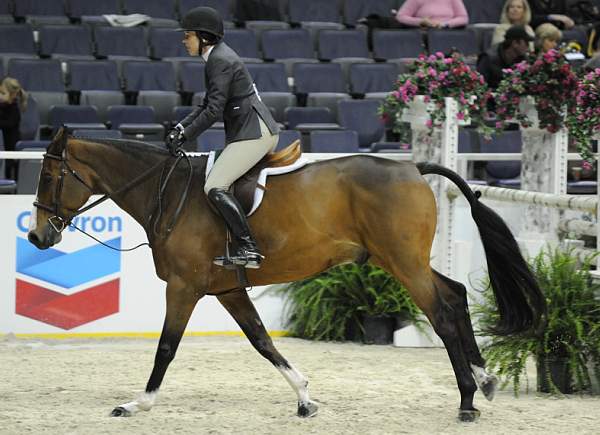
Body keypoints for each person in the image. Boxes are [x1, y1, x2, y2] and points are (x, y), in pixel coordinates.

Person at [167, 6, 280, 269]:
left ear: (204, 37)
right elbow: (207, 104)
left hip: (254, 133)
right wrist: (181, 129)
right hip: (248, 130)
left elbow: (214, 110)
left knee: (214, 186)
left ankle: (249, 248)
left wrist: (186, 136)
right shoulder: (217, 57)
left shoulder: (220, 60)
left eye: (188, 36)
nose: (184, 41)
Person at [0, 77, 28, 180]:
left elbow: (8, 124)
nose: (0, 96)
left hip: (11, 147)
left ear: (13, 95)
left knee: (10, 170)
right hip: (4, 145)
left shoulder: (14, 110)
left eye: (3, 93)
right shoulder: (2, 106)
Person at [395, 0, 469, 28]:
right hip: (425, 33)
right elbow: (401, 16)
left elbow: (463, 18)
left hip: (448, 32)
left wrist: (444, 24)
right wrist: (421, 22)